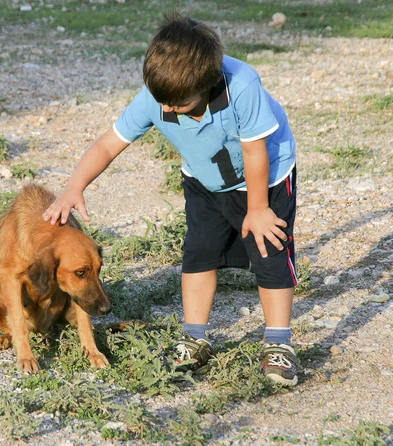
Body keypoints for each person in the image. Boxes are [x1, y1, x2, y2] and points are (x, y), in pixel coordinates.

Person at [43, 13, 300, 386]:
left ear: (208, 83)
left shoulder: (242, 86)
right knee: (198, 254)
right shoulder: (158, 96)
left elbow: (255, 152)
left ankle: (278, 343)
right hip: (204, 180)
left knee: (269, 252)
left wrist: (258, 209)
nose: (169, 109)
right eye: (163, 101)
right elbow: (109, 143)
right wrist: (73, 186)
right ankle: (195, 338)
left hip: (265, 179)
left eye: (178, 102)